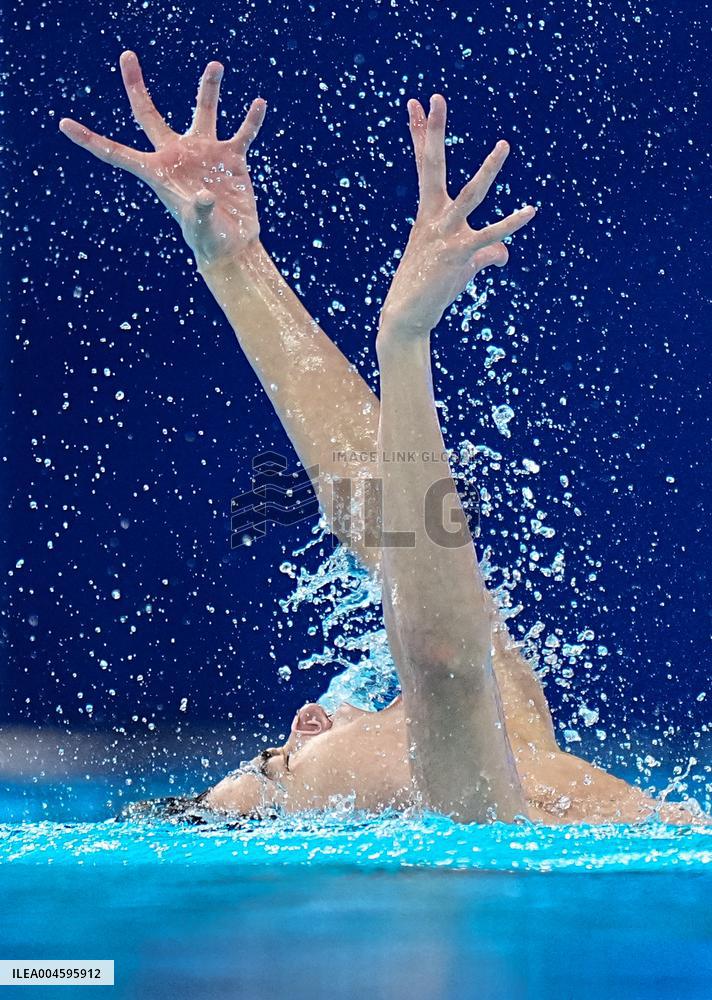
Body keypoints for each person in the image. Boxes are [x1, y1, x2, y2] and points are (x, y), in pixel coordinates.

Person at [60, 52, 699, 826]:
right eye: (281, 765)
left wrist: (235, 262)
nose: (305, 719)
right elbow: (439, 660)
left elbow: (377, 503)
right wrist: (403, 342)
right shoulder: (472, 805)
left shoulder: (521, 753)